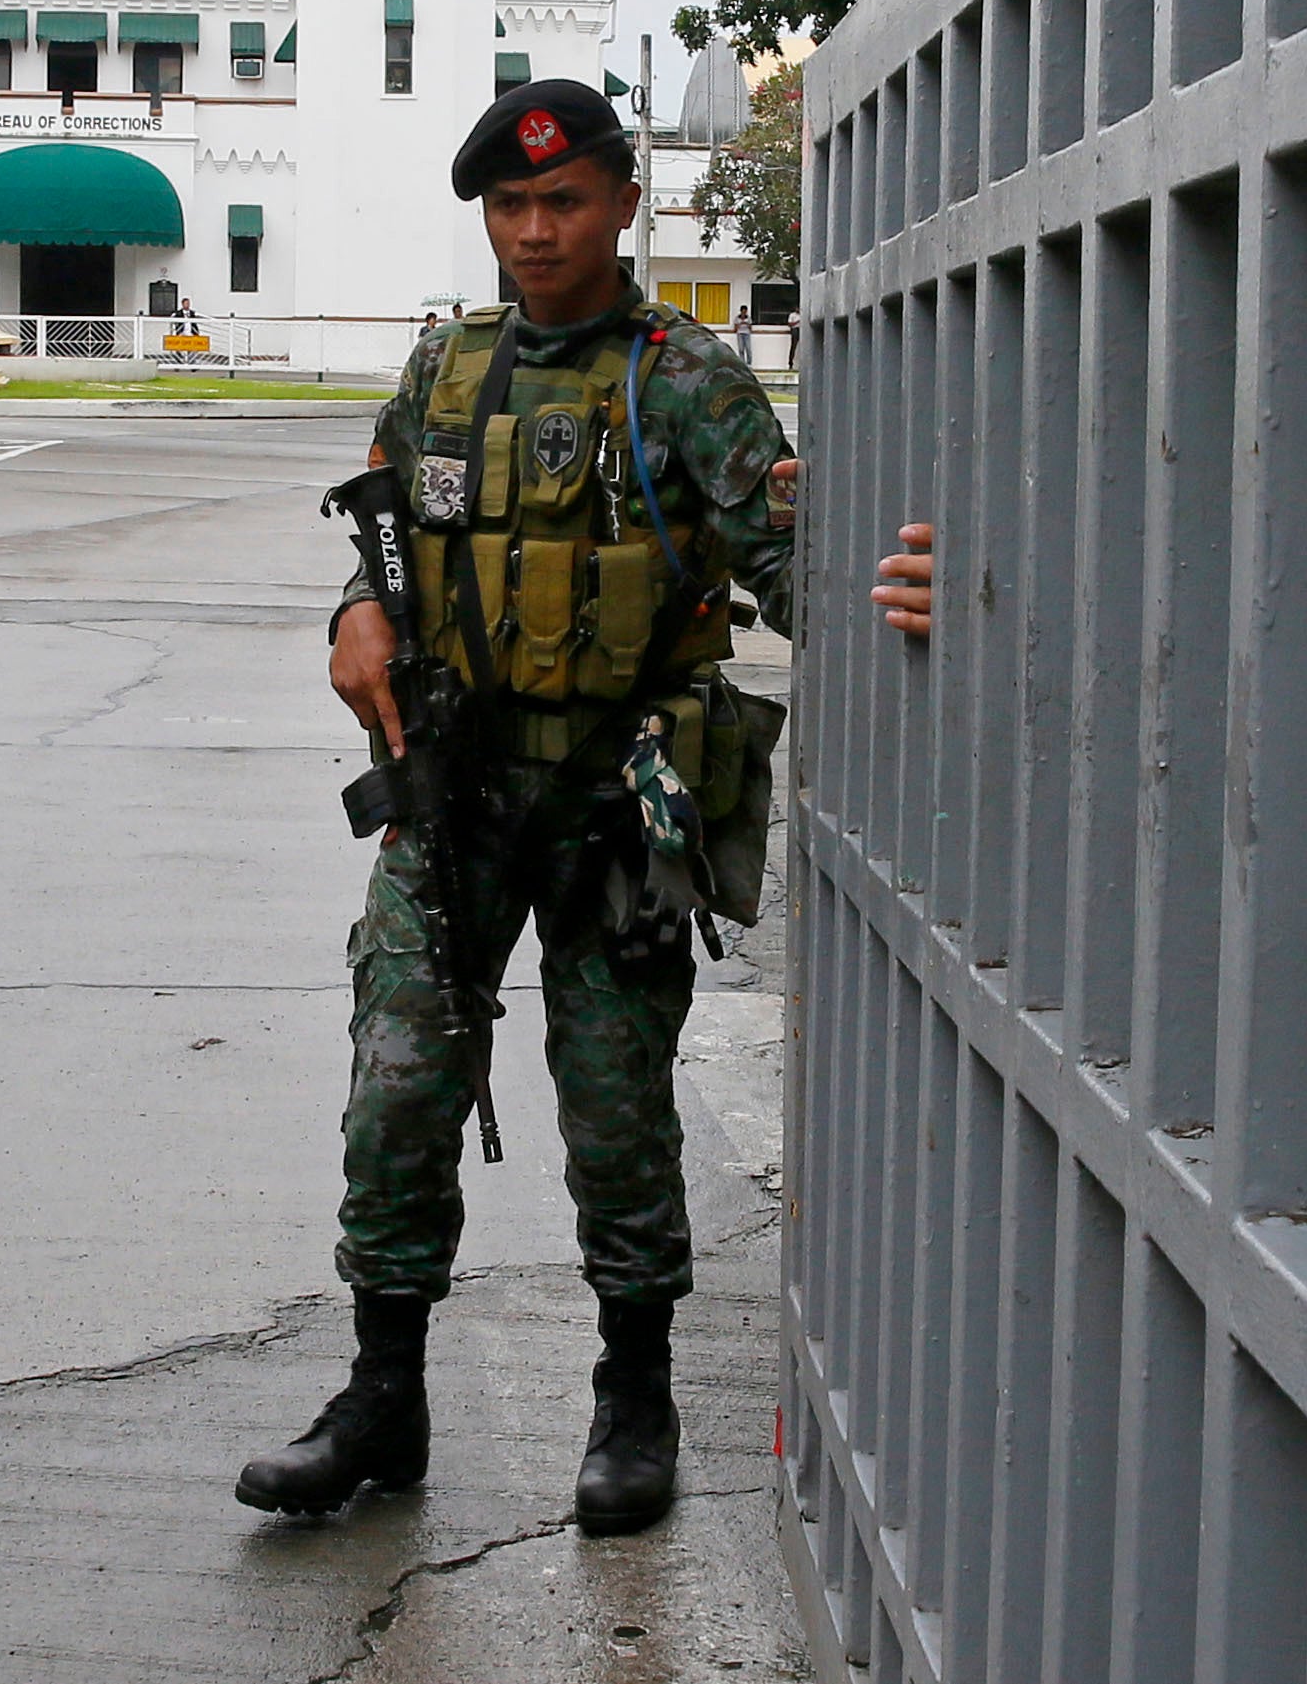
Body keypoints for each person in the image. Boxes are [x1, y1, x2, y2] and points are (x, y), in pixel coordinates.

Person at [236, 77, 932, 1536]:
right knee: (398, 1086)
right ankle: (384, 1393)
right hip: (456, 792)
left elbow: (797, 573)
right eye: (510, 206)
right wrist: (354, 616)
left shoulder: (686, 379)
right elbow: (391, 544)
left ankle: (634, 1392)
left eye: (563, 201)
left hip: (621, 799)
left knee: (614, 1106)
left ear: (625, 201)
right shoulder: (442, 370)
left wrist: (893, 600)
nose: (537, 230)